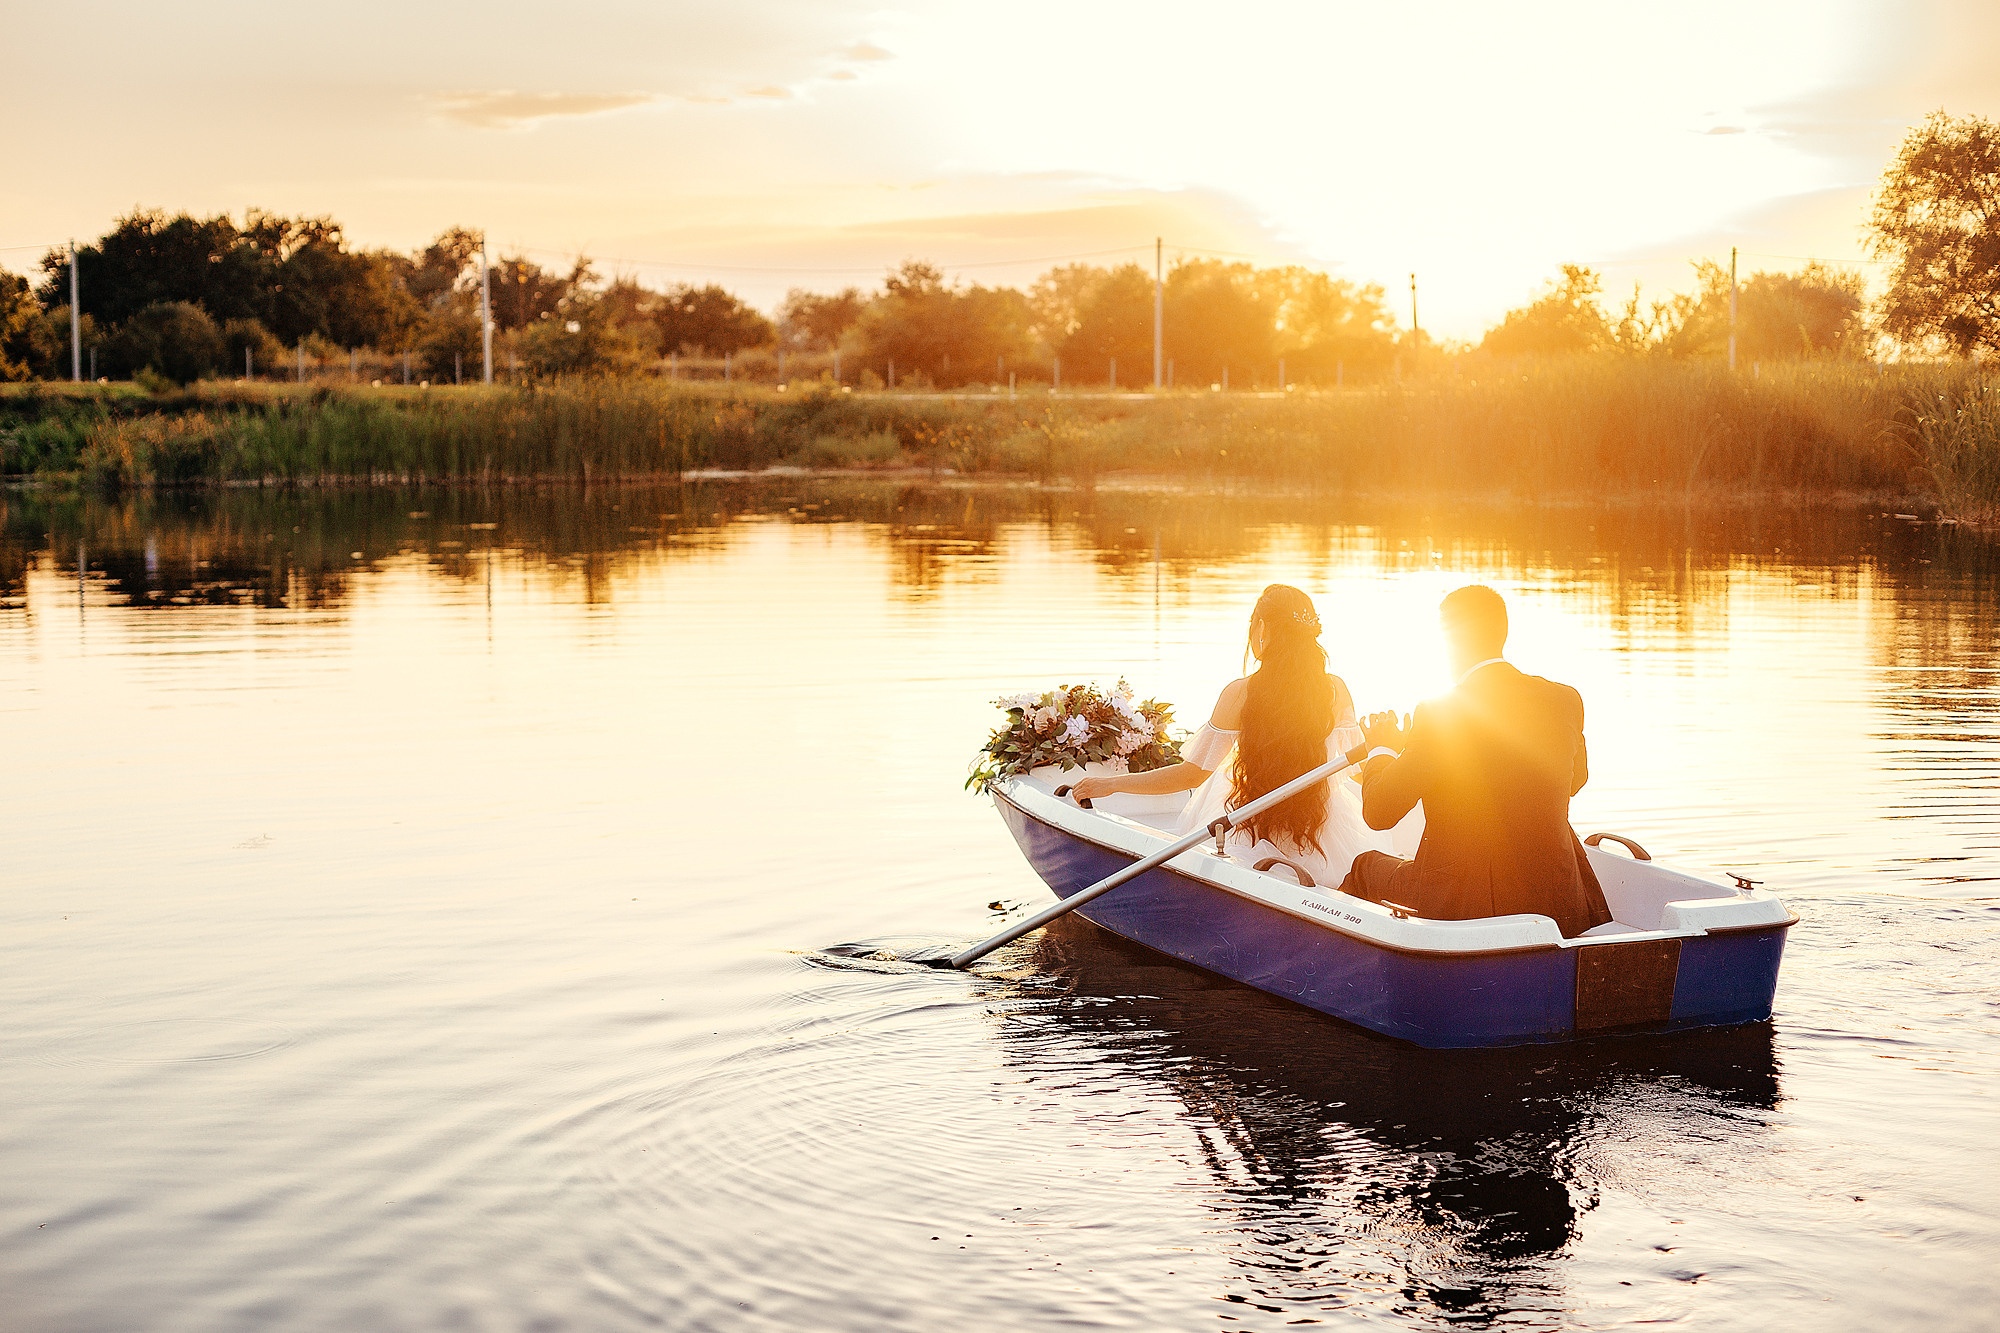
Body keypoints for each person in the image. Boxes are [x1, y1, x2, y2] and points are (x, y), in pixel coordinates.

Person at [1067, 584, 1416, 887]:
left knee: (1214, 795)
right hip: (1319, 827)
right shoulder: (1335, 691)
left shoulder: (1240, 693)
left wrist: (1112, 784)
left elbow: (1191, 774)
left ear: (1263, 627)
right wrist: (1394, 752)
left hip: (1247, 827)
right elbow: (1352, 766)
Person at [1340, 584, 1612, 938]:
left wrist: (1382, 749)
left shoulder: (1439, 713)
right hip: (1555, 901)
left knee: (1366, 866)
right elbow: (1574, 781)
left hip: (1462, 905)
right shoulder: (1564, 699)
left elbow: (1378, 813)